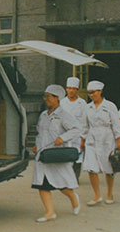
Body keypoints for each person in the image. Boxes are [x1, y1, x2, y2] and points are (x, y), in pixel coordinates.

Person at [31, 84, 82, 222]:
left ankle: (74, 198)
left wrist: (63, 138)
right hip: (42, 154)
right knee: (42, 184)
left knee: (61, 184)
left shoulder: (63, 115)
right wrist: (36, 145)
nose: (46, 99)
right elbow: (40, 132)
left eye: (48, 96)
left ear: (57, 98)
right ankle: (50, 212)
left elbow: (77, 129)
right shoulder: (43, 115)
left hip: (56, 154)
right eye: (45, 96)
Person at [81, 81, 120, 206]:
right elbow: (84, 125)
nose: (91, 95)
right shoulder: (87, 107)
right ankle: (97, 195)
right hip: (92, 138)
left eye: (93, 92)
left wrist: (119, 139)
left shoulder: (110, 106)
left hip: (107, 138)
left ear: (100, 92)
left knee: (108, 167)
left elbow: (116, 124)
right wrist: (82, 140)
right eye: (89, 93)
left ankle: (109, 193)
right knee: (91, 167)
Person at [60, 77, 87, 183]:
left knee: (78, 157)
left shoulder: (82, 103)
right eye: (69, 88)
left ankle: (75, 177)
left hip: (77, 135)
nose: (71, 91)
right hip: (65, 134)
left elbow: (84, 122)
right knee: (65, 157)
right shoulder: (62, 103)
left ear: (77, 90)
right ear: (66, 89)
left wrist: (83, 138)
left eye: (73, 89)